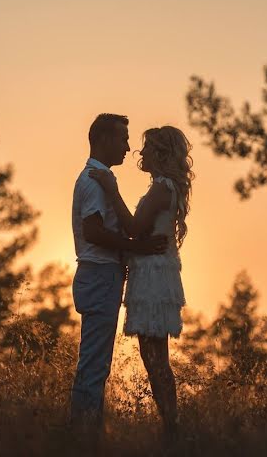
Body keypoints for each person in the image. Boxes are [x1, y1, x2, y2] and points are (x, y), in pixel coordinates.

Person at [88, 126, 193, 437]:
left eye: (147, 149)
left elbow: (133, 227)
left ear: (160, 154)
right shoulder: (166, 186)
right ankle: (171, 427)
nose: (140, 153)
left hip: (153, 276)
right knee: (154, 356)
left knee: (155, 357)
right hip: (154, 271)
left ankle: (172, 428)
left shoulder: (162, 187)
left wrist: (111, 189)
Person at [69, 113, 168, 436]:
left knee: (96, 364)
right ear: (103, 140)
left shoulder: (99, 178)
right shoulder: (96, 181)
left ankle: (87, 435)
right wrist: (138, 248)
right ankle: (83, 438)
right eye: (123, 139)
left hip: (101, 276)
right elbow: (94, 232)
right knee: (94, 366)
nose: (129, 147)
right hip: (99, 276)